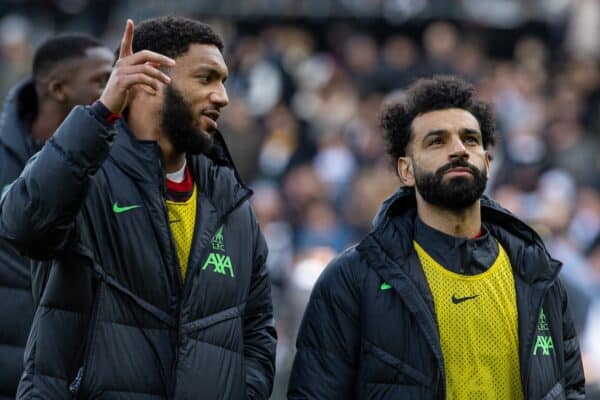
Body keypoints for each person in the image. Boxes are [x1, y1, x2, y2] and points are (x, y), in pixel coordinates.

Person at [0, 16, 276, 399]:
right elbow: (22, 225)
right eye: (206, 78)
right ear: (149, 80)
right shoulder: (85, 177)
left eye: (224, 81)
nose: (222, 96)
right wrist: (101, 112)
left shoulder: (231, 202)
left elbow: (257, 328)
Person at [288, 76, 585, 399]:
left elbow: (569, 388)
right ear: (406, 170)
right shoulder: (352, 278)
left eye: (470, 140)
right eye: (436, 141)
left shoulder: (536, 272)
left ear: (487, 162)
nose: (458, 150)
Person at [0, 34, 113, 400]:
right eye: (101, 79)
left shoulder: (110, 160)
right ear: (60, 88)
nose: (114, 89)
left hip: (66, 379)